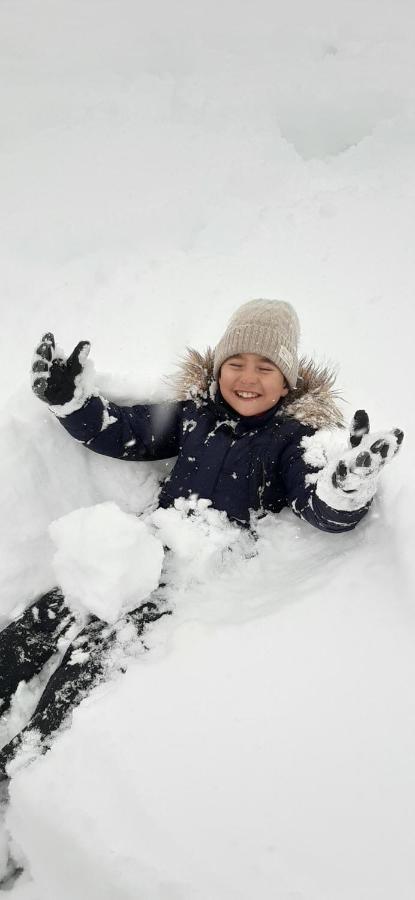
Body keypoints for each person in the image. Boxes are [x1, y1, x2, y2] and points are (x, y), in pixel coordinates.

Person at [0, 299, 404, 777]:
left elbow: (318, 507)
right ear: (217, 369)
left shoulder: (294, 443)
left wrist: (344, 490)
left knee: (97, 653)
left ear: (288, 382)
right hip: (143, 545)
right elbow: (124, 433)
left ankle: (25, 763)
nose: (247, 378)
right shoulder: (195, 414)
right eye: (235, 363)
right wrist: (73, 403)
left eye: (265, 367)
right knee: (48, 614)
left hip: (190, 574)